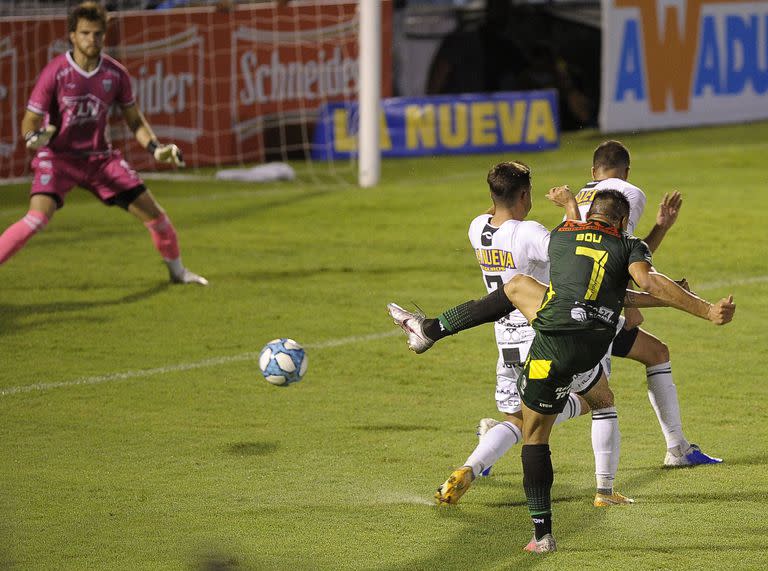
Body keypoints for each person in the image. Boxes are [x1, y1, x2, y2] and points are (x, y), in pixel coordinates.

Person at [389, 190, 735, 553]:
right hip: (590, 351)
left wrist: (569, 203)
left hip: (550, 346)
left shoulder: (564, 234)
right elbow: (641, 284)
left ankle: (542, 536)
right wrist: (703, 308)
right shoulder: (629, 246)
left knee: (533, 435)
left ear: (590, 216)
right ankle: (605, 489)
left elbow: (614, 271)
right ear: (620, 222)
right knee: (599, 397)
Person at [420, 161, 636, 511]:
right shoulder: (529, 233)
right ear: (525, 195)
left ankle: (468, 468)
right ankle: (605, 491)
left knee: (517, 420)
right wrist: (569, 204)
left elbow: (498, 208)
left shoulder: (478, 228)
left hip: (504, 341)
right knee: (599, 401)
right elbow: (578, 250)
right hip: (544, 335)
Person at [0, 2, 207, 286]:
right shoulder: (56, 72)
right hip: (59, 159)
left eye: (97, 34)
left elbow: (135, 121)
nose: (92, 40)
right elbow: (30, 120)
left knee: (157, 216)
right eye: (85, 33)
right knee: (36, 218)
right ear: (72, 35)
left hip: (100, 160)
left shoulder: (115, 74)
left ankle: (178, 273)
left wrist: (156, 148)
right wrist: (33, 138)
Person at [564, 140, 718, 467]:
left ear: (593, 172)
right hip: (590, 313)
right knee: (593, 398)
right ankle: (508, 429)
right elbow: (617, 257)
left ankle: (677, 448)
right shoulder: (627, 193)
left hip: (580, 300)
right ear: (627, 171)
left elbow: (618, 252)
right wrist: (634, 308)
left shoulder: (582, 196)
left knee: (656, 353)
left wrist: (660, 228)